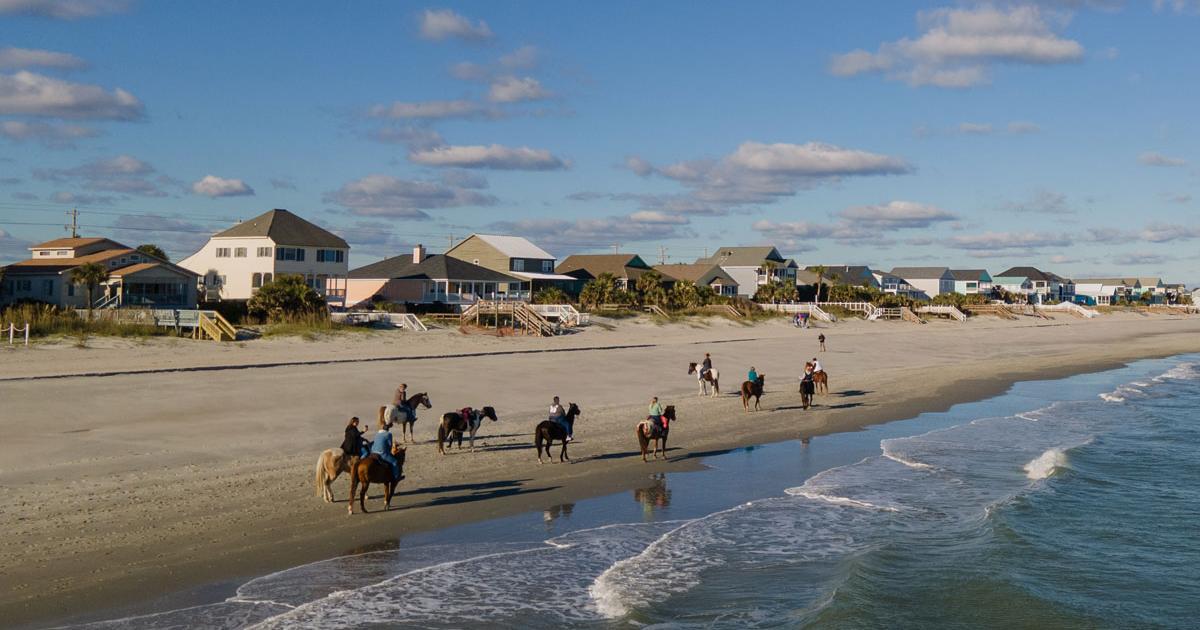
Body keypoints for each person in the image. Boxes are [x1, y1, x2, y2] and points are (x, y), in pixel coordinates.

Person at [370, 415, 400, 481]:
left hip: (373, 452)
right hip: (382, 453)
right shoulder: (388, 434)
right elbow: (389, 445)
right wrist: (390, 452)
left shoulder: (377, 433)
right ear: (388, 429)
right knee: (395, 462)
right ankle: (396, 477)